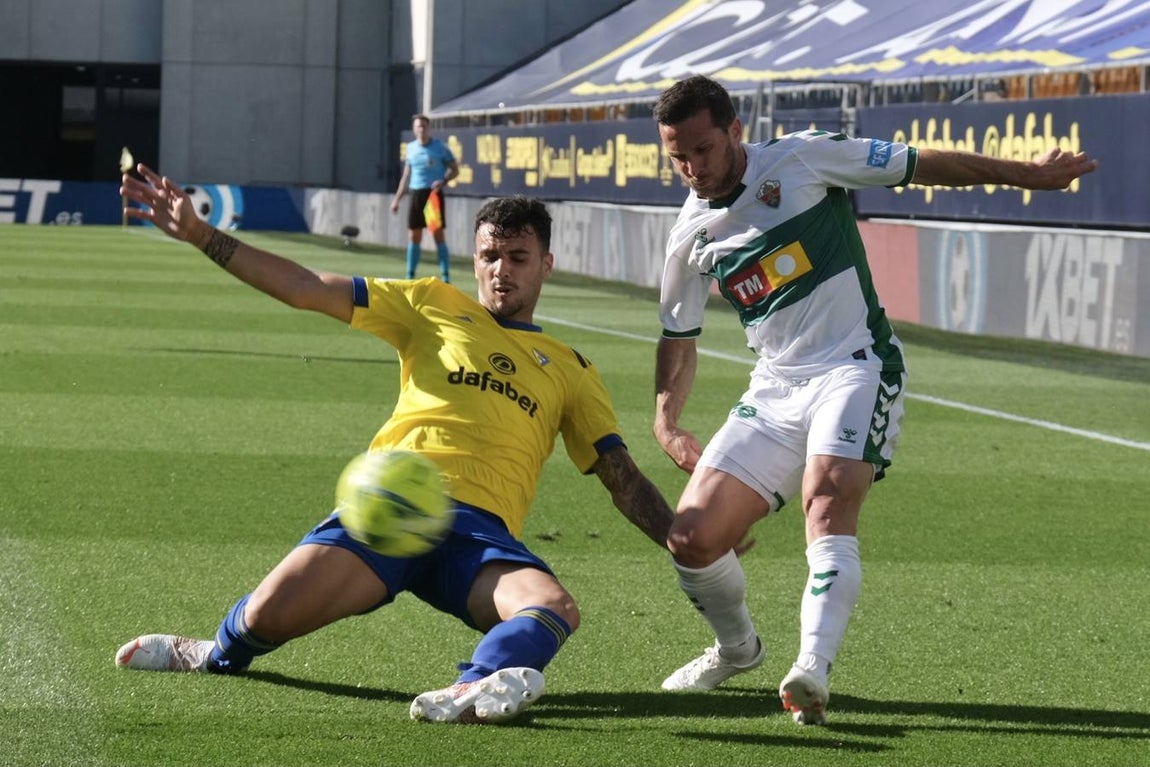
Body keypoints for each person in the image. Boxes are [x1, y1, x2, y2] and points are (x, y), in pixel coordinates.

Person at [115, 165, 677, 725]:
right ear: (474, 259)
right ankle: (211, 654)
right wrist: (200, 234)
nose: (501, 271)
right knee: (262, 618)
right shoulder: (432, 304)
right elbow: (306, 288)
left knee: (554, 607)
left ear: (545, 264)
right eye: (489, 257)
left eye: (518, 258)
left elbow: (620, 477)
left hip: (478, 535)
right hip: (389, 507)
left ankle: (472, 687)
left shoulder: (573, 369)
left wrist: (684, 541)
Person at [650, 75, 1097, 725]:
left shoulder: (802, 158)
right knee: (690, 539)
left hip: (855, 367)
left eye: (703, 149)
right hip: (775, 389)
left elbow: (922, 163)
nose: (692, 169)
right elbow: (678, 336)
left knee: (826, 496)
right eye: (676, 157)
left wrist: (1027, 174)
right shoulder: (689, 232)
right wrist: (665, 419)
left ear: (735, 130)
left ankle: (811, 668)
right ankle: (738, 646)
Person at [390, 114, 460, 281]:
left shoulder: (440, 148)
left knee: (437, 234)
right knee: (414, 235)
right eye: (418, 126)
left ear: (429, 128)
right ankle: (410, 275)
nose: (421, 129)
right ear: (414, 129)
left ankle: (445, 276)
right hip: (416, 194)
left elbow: (455, 170)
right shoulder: (411, 148)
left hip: (433, 195)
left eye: (424, 126)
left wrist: (443, 181)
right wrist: (397, 199)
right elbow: (405, 176)